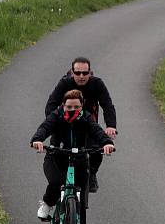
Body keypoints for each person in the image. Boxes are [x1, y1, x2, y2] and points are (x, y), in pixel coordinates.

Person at [31, 89, 115, 224]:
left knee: (81, 202)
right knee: (57, 181)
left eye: (76, 106)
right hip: (56, 157)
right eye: (69, 106)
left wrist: (107, 143)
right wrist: (37, 140)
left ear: (81, 106)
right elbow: (45, 128)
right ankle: (48, 203)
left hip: (79, 159)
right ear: (63, 105)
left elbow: (97, 131)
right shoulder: (56, 116)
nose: (72, 109)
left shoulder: (85, 118)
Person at [44, 56, 116, 193]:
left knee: (96, 149)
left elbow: (107, 105)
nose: (81, 76)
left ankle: (92, 174)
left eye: (85, 73)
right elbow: (51, 105)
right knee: (58, 152)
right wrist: (53, 122)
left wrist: (111, 126)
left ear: (90, 72)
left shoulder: (97, 84)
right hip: (66, 123)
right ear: (72, 72)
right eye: (77, 73)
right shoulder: (64, 84)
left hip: (88, 124)